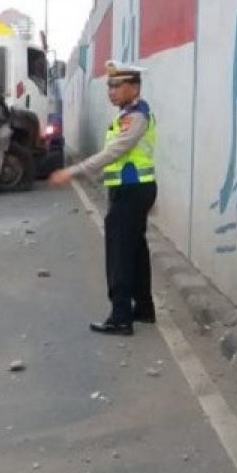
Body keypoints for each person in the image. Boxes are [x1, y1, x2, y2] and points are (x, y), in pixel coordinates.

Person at [49, 61, 157, 336]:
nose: (111, 91)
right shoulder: (128, 114)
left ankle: (120, 316)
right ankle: (144, 308)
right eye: (109, 86)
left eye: (117, 85)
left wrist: (73, 172)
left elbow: (113, 153)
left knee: (119, 253)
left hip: (131, 192)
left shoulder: (135, 117)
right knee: (136, 249)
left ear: (134, 87)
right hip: (134, 189)